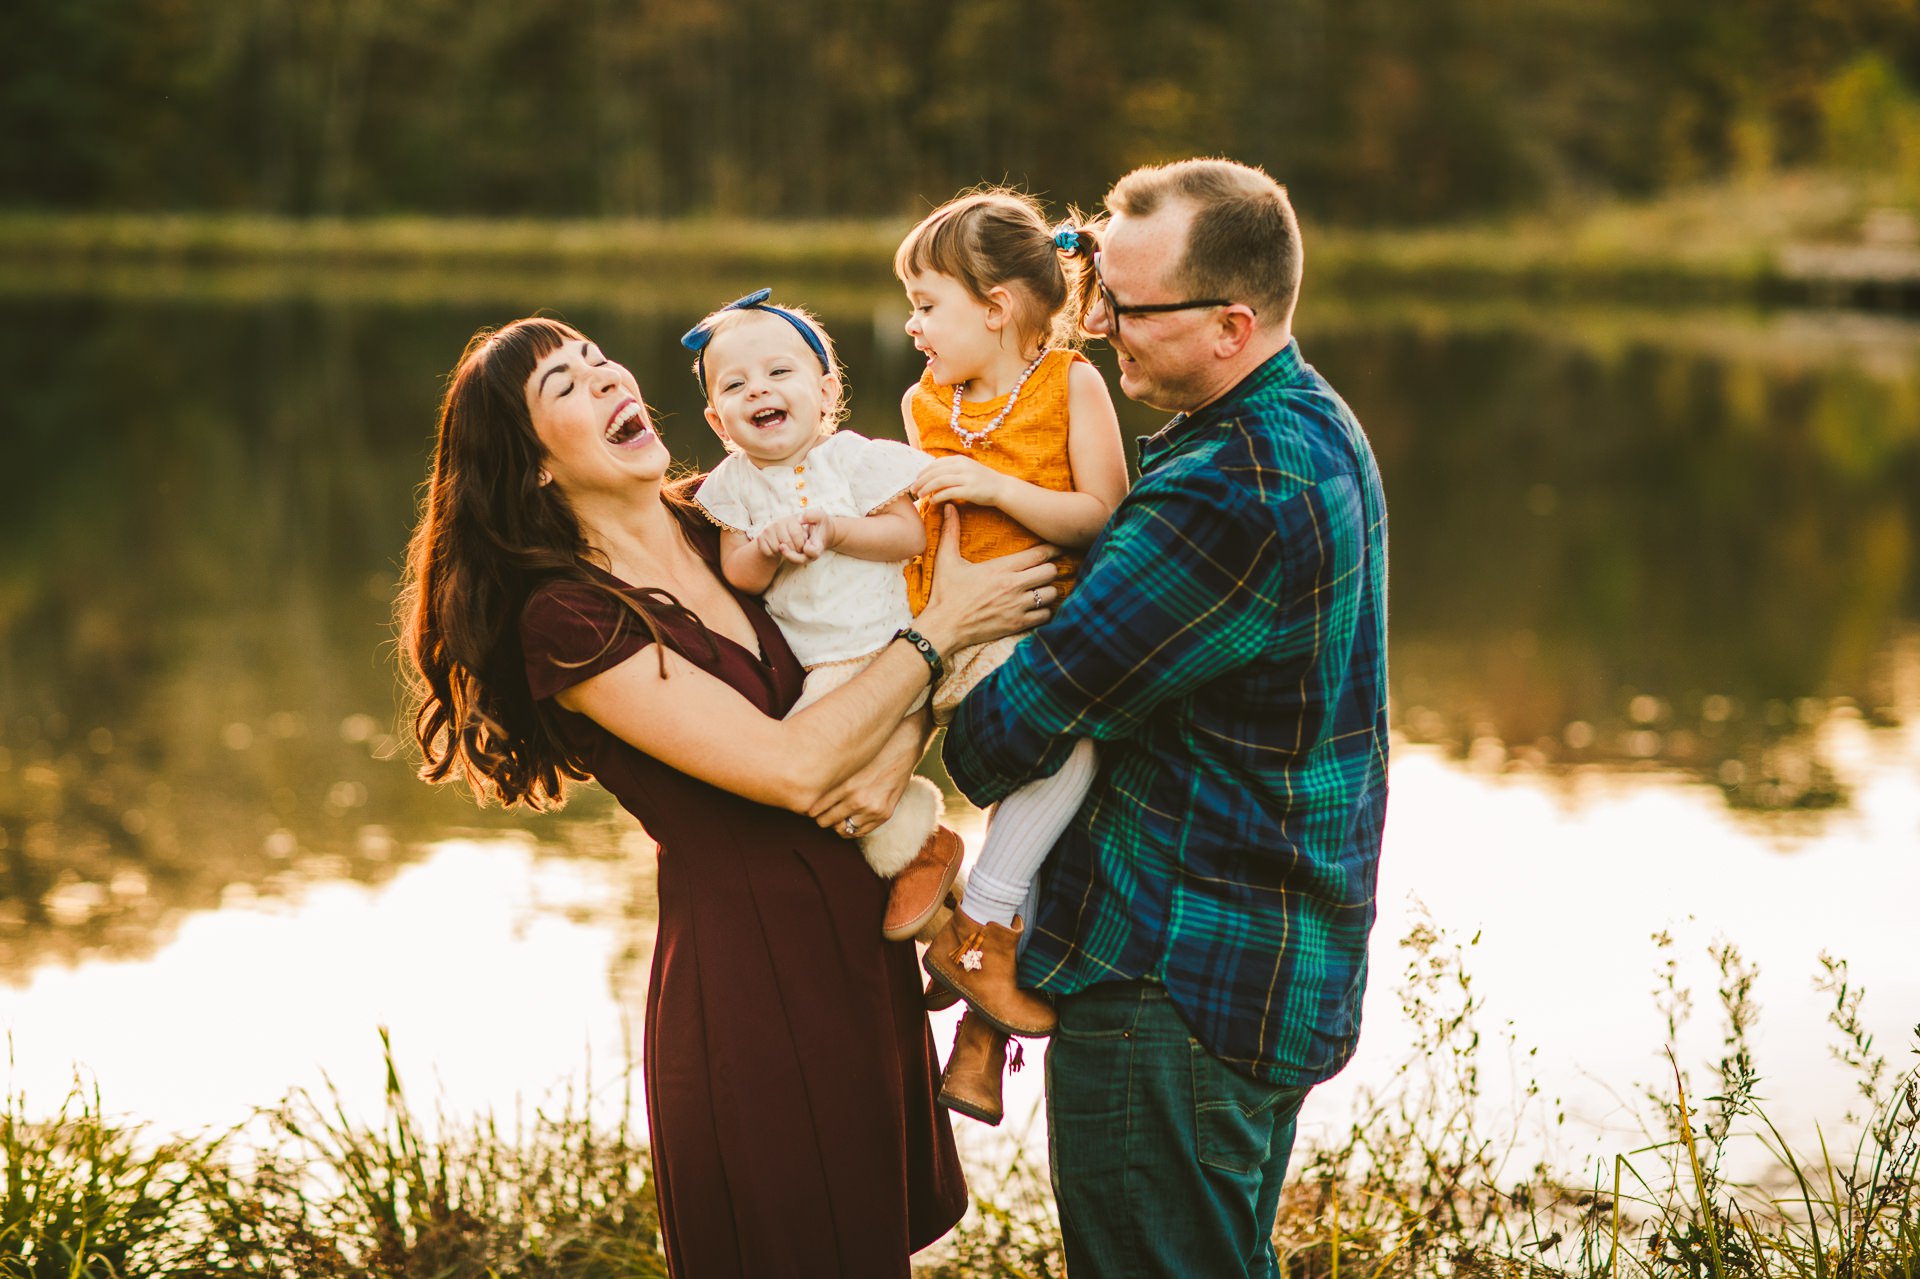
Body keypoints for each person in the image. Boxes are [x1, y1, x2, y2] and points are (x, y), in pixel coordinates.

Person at [396, 316, 1060, 1279]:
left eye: (598, 359)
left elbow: (861, 649)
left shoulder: (723, 521)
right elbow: (794, 765)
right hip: (753, 975)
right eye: (566, 387)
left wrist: (894, 745)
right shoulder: (569, 618)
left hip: (862, 943)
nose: (607, 377)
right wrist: (947, 628)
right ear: (533, 464)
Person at [942, 159, 1391, 1277]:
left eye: (1125, 309)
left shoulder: (1227, 490)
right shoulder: (1299, 418)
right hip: (1258, 954)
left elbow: (1003, 736)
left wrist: (949, 626)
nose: (1094, 328)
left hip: (1176, 979)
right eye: (1093, 282)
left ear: (1232, 324)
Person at [891, 189, 1128, 1126]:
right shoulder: (924, 402)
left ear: (995, 307)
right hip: (948, 632)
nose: (913, 328)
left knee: (1066, 768)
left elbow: (1105, 513)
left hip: (1040, 636)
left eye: (927, 304)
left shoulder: (1071, 383)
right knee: (1067, 752)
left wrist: (994, 484)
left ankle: (980, 1018)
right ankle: (965, 904)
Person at [684, 289, 963, 944]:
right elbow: (738, 573)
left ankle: (981, 897)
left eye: (779, 373)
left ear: (825, 388)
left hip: (899, 629)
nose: (759, 390)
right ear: (718, 421)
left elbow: (907, 536)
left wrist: (837, 530)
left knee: (1012, 707)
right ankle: (936, 887)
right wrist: (767, 548)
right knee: (814, 775)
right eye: (736, 384)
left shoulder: (854, 458)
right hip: (833, 664)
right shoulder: (732, 486)